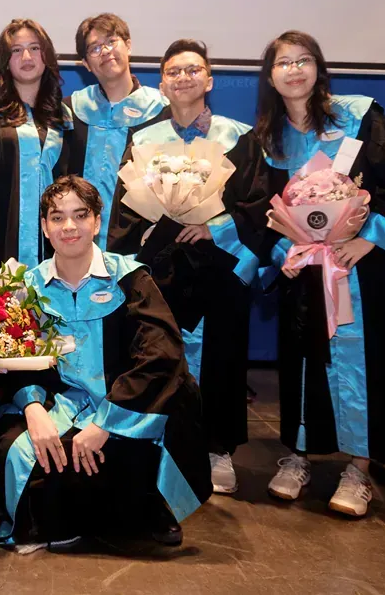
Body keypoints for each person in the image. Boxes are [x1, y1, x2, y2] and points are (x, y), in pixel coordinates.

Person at [254, 31, 385, 517]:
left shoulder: (360, 117)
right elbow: (256, 210)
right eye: (283, 63)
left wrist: (367, 238)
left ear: (319, 68)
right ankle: (298, 456)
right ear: (270, 76)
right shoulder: (269, 139)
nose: (294, 70)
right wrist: (283, 252)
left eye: (304, 60)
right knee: (302, 363)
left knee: (364, 366)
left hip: (361, 273)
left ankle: (359, 468)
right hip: (305, 276)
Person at [0, 176, 211, 553]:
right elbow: (12, 358)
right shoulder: (27, 286)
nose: (69, 227)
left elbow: (161, 355)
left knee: (124, 453)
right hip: (61, 403)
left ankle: (150, 507)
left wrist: (106, 422)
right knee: (16, 448)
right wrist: (32, 409)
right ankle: (86, 515)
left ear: (96, 221)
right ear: (44, 226)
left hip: (128, 404)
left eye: (80, 215)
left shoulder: (131, 278)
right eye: (57, 217)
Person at [108, 39, 270, 495]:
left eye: (193, 70)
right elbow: (126, 208)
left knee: (221, 358)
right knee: (156, 352)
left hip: (217, 266)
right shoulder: (143, 139)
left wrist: (214, 228)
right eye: (174, 71)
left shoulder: (239, 137)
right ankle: (159, 440)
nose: (183, 78)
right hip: (161, 266)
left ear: (209, 80)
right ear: (162, 82)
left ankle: (218, 450)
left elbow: (255, 203)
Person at [58, 13, 168, 250]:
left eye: (111, 41)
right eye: (95, 48)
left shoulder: (161, 111)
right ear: (86, 64)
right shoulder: (71, 111)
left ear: (128, 45)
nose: (105, 51)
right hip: (76, 243)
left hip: (139, 244)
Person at [0, 19, 69, 269]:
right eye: (16, 50)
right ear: (5, 59)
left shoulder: (62, 116)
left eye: (35, 48)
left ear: (47, 55)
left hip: (51, 237)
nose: (26, 56)